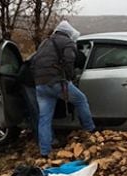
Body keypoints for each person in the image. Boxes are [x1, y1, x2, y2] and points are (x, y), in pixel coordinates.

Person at [31, 21, 95, 158]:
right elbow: (69, 61)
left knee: (44, 119)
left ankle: (45, 152)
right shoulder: (67, 43)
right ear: (69, 33)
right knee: (81, 100)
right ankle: (90, 130)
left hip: (40, 85)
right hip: (57, 82)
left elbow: (34, 61)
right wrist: (70, 77)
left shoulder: (44, 43)